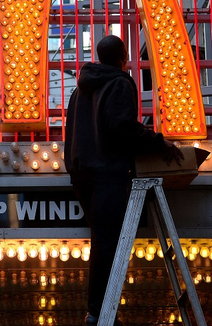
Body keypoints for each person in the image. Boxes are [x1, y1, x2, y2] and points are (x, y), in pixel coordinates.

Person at [64, 35, 183, 326]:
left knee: (101, 242)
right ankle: (99, 314)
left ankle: (98, 312)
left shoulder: (79, 91)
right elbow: (122, 127)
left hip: (83, 176)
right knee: (110, 244)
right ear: (122, 58)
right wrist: (159, 143)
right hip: (109, 173)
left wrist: (74, 169)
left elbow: (70, 137)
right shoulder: (119, 83)